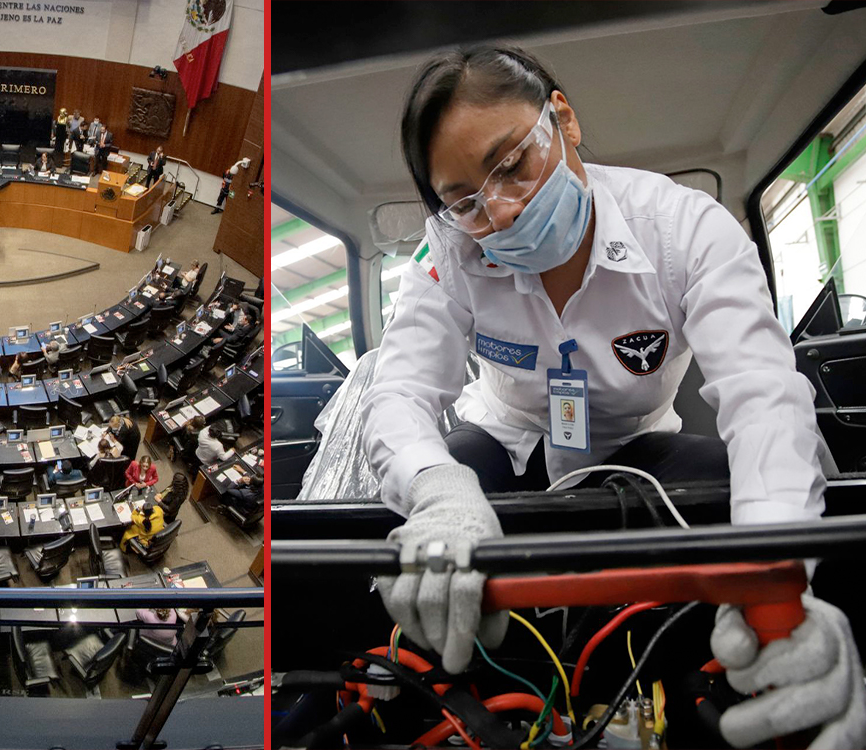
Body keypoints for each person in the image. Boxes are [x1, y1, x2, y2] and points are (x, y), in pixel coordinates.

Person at [359, 44, 865, 746]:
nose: (500, 215)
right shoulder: (449, 252)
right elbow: (399, 393)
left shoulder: (685, 228)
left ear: (562, 120)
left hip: (636, 442)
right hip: (506, 438)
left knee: (722, 492)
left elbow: (764, 397)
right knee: (440, 508)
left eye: (512, 166)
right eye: (466, 201)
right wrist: (440, 493)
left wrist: (772, 578)